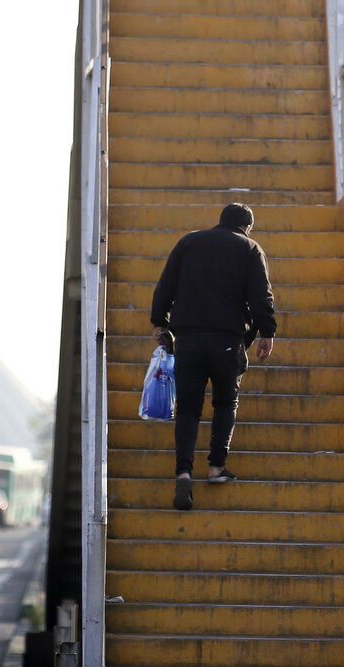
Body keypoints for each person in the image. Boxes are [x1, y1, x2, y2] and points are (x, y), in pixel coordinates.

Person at [150, 203, 276, 511]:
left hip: (188, 338)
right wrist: (267, 332)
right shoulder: (250, 248)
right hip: (228, 340)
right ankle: (217, 467)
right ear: (247, 227)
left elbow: (166, 284)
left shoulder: (189, 241)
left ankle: (183, 471)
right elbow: (261, 295)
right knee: (224, 402)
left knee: (189, 408)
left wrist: (159, 321)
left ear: (221, 221)